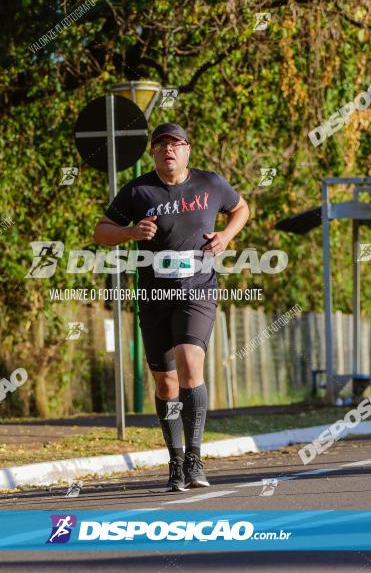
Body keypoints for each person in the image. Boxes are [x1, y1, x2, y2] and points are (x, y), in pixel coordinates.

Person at [93, 123, 250, 491]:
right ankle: (175, 461)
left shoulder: (211, 184)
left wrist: (226, 236)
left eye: (175, 145)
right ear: (153, 153)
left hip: (198, 290)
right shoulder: (138, 190)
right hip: (153, 296)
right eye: (161, 145)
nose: (169, 150)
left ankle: (195, 458)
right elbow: (101, 232)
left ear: (187, 150)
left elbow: (241, 208)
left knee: (190, 363)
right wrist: (130, 233)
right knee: (166, 384)